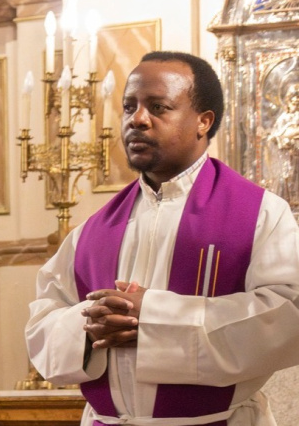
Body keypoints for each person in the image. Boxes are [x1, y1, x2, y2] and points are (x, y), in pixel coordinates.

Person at [25, 51, 299, 425]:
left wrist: (152, 317)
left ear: (203, 121)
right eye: (129, 107)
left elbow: (288, 314)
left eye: (158, 107)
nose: (137, 119)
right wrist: (90, 326)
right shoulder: (92, 230)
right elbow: (43, 322)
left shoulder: (260, 214)